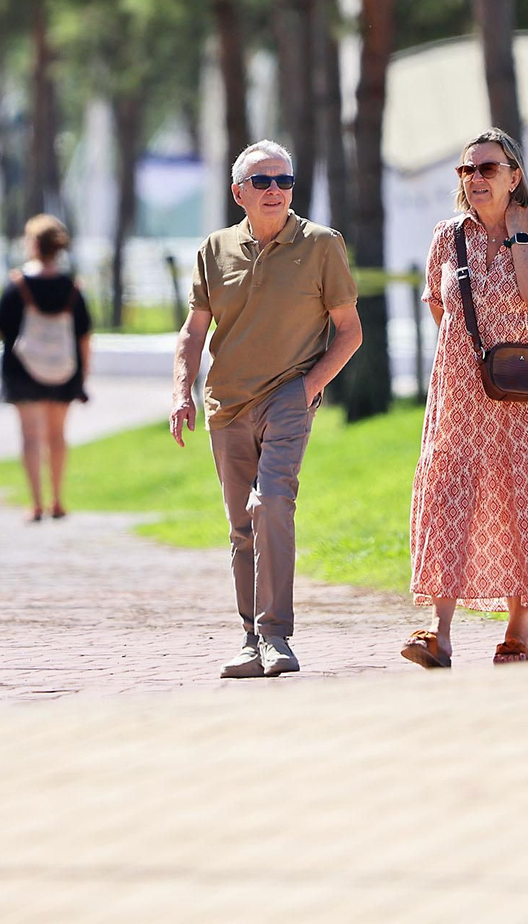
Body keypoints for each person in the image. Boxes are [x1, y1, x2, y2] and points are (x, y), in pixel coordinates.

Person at [170, 139, 363, 679]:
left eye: (284, 180)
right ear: (239, 194)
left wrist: (305, 391)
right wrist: (182, 390)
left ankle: (277, 635)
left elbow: (349, 332)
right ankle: (250, 638)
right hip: (226, 403)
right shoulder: (214, 249)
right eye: (263, 182)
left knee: (272, 502)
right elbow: (194, 329)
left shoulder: (323, 245)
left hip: (288, 395)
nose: (276, 190)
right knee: (241, 527)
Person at [400, 127, 528, 669]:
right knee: (448, 496)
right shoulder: (447, 237)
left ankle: (518, 630)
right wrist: (470, 355)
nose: (475, 179)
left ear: (514, 176)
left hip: (526, 394)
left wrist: (519, 236)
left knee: (521, 495)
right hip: (459, 392)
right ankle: (440, 631)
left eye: (487, 168)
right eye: (467, 170)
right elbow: (440, 306)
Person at [0, 215, 92, 522]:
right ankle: (57, 499)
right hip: (64, 371)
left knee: (30, 437)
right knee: (57, 436)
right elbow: (84, 337)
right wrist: (83, 376)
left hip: (22, 370)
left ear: (33, 245)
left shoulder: (16, 285)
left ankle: (36, 503)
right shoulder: (71, 287)